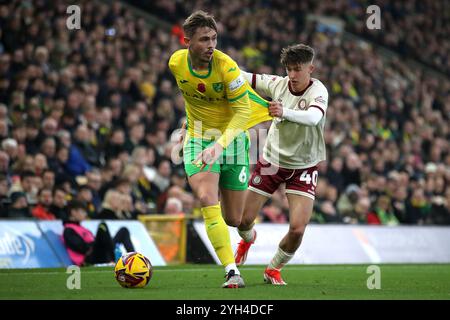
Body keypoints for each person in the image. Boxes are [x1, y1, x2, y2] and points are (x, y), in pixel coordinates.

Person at [168, 10, 271, 288]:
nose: (211, 45)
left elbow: (242, 112)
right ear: (187, 41)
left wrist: (220, 145)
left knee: (234, 219)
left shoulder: (227, 68)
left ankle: (248, 235)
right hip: (198, 139)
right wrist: (207, 143)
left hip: (233, 141)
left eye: (214, 38)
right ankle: (231, 271)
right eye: (204, 39)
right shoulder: (176, 63)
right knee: (205, 197)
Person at [234, 44, 329, 285]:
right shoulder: (277, 84)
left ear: (311, 69)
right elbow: (241, 75)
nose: (293, 75)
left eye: (298, 69)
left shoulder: (319, 91)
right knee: (243, 221)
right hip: (272, 162)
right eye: (289, 69)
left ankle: (273, 269)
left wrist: (284, 111)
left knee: (297, 229)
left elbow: (313, 117)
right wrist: (215, 61)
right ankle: (248, 239)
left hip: (304, 166)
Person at [62, 200, 135, 266]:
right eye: (82, 211)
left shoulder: (82, 228)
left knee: (123, 231)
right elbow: (81, 247)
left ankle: (135, 259)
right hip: (89, 258)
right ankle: (114, 258)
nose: (85, 214)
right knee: (102, 226)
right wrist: (94, 244)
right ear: (73, 212)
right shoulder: (69, 229)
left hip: (100, 252)